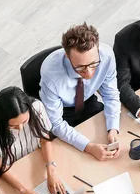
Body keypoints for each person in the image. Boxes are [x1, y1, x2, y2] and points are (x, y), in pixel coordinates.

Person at [40, 22, 122, 161]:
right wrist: (88, 147)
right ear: (67, 56)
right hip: (62, 109)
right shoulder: (51, 74)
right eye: (80, 67)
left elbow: (110, 94)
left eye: (93, 64)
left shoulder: (107, 56)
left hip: (87, 98)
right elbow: (56, 123)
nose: (89, 72)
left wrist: (113, 127)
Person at [0, 86, 66, 194]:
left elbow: (44, 139)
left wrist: (51, 169)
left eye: (25, 121)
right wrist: (23, 190)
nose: (20, 128)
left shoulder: (37, 107)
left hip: (35, 159)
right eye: (13, 125)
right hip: (11, 171)